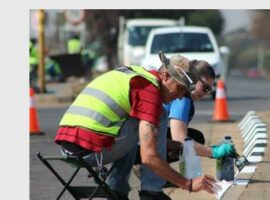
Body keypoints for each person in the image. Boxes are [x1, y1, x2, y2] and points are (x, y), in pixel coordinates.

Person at [54, 52, 217, 199]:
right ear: (165, 76)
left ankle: (118, 189)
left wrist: (168, 145)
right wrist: (188, 184)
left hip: (69, 147)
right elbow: (149, 156)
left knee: (140, 121)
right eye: (180, 89)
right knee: (159, 115)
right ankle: (151, 192)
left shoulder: (135, 74)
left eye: (185, 92)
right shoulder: (149, 92)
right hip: (89, 151)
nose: (181, 97)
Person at [136, 60, 238, 200]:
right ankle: (152, 175)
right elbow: (180, 139)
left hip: (138, 137)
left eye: (210, 89)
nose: (207, 93)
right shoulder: (184, 99)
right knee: (192, 140)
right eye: (205, 87)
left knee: (195, 137)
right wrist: (214, 152)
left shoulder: (181, 96)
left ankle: (156, 171)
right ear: (193, 79)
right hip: (142, 144)